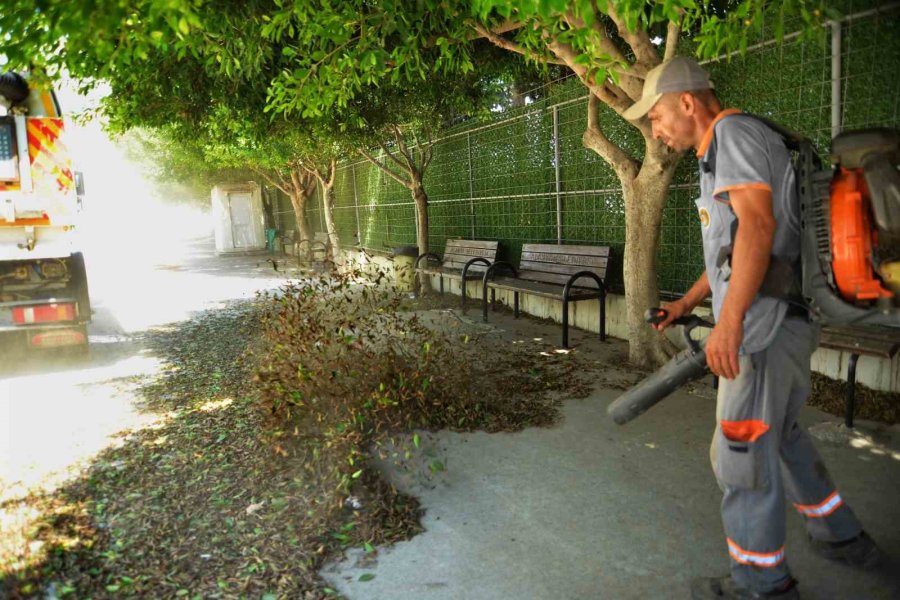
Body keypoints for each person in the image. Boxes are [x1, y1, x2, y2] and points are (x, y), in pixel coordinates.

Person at [622, 57, 880, 600]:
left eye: (659, 116)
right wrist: (688, 302)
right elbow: (733, 245)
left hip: (761, 329)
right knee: (780, 436)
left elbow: (758, 229)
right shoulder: (728, 146)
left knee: (739, 454)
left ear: (688, 102)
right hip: (781, 321)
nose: (657, 130)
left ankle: (762, 585)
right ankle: (841, 535)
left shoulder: (733, 135)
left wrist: (729, 324)